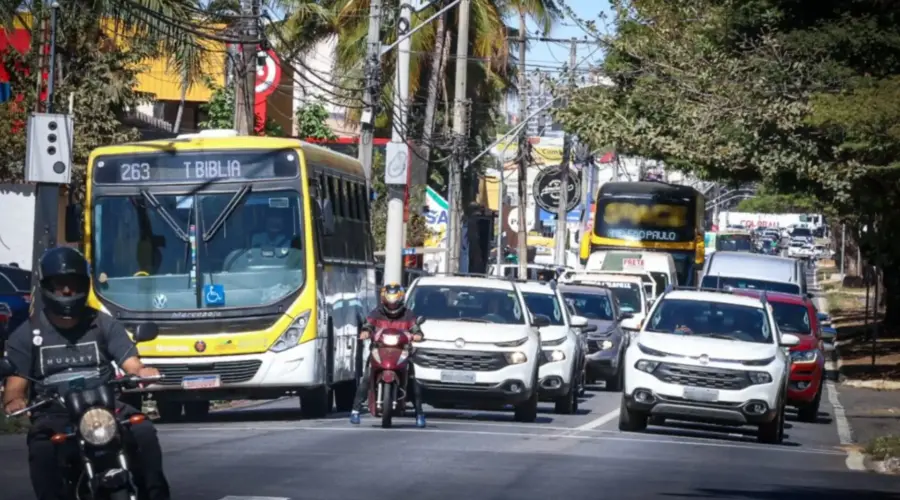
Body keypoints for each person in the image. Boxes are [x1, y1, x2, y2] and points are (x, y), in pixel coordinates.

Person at [1, 247, 171, 500]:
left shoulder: (103, 323)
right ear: (47, 286)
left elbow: (131, 364)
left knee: (143, 430)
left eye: (73, 284)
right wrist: (15, 401)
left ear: (84, 284)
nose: (67, 291)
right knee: (42, 448)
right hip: (54, 412)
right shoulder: (27, 334)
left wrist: (142, 371)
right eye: (60, 285)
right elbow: (16, 386)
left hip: (106, 407)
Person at [350, 282, 426, 428]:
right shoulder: (376, 313)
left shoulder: (408, 314)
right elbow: (368, 325)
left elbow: (416, 329)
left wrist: (416, 335)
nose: (392, 306)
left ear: (401, 299)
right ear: (384, 299)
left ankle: (419, 413)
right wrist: (366, 332)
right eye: (389, 302)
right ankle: (355, 410)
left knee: (412, 380)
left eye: (395, 302)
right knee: (366, 377)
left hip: (402, 351)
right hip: (379, 350)